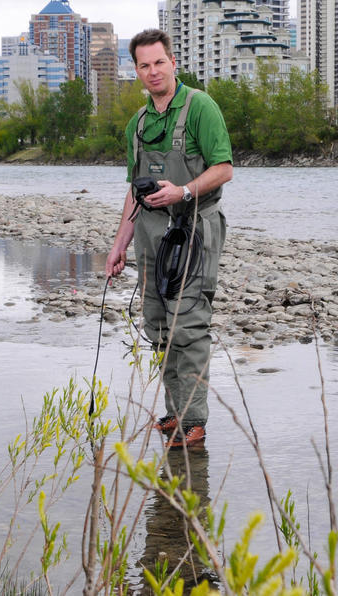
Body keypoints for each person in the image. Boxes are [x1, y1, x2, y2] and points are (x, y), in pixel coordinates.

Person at [105, 29, 232, 449]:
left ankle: (194, 421)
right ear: (136, 71)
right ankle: (175, 413)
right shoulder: (137, 124)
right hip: (150, 235)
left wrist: (183, 191)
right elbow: (132, 190)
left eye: (159, 62)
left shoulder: (201, 107)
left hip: (195, 227)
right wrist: (119, 244)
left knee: (189, 325)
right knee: (160, 326)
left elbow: (224, 168)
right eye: (144, 65)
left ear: (173, 62)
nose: (153, 71)